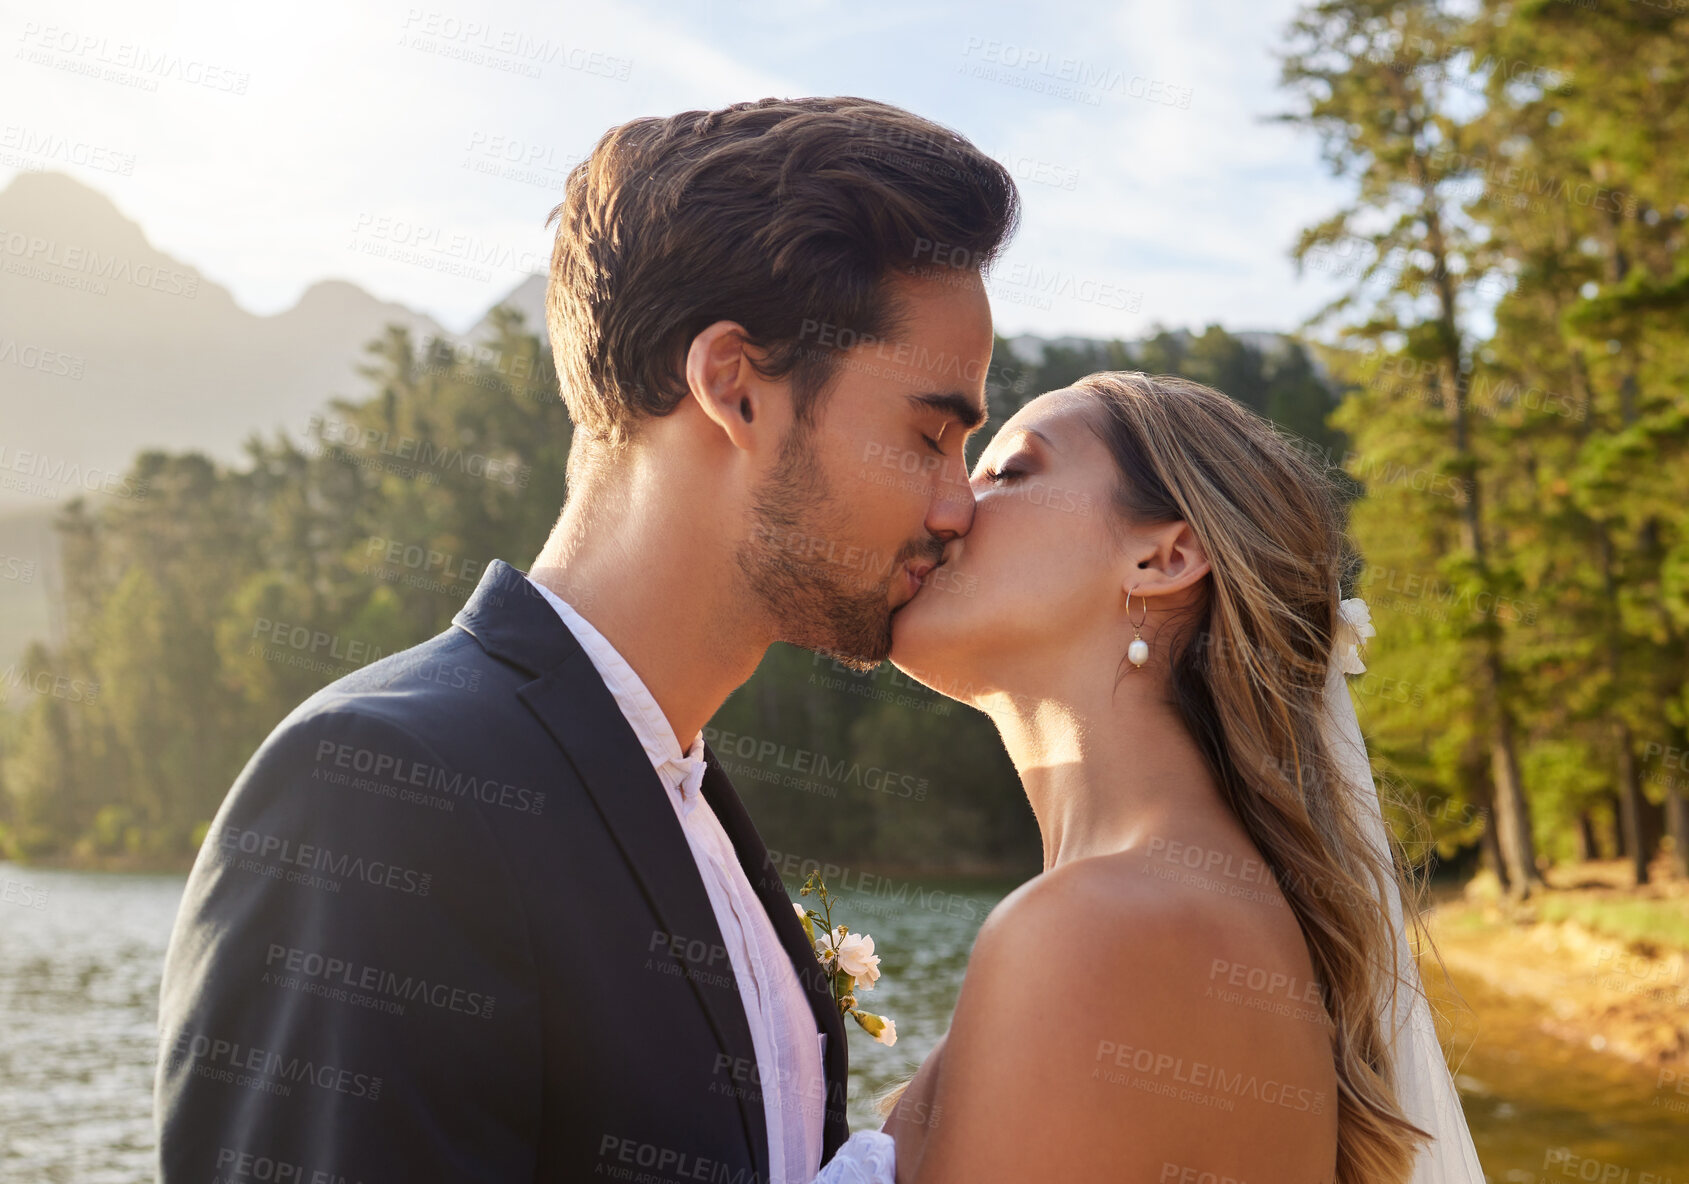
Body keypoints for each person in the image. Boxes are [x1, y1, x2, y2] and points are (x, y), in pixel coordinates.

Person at [152, 95, 1019, 1184]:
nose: (957, 507)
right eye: (930, 435)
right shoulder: (381, 793)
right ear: (733, 386)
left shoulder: (696, 807)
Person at [814, 373, 1486, 1184]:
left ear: (1163, 556)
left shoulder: (1105, 930)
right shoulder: (1177, 913)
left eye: (1010, 473)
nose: (951, 508)